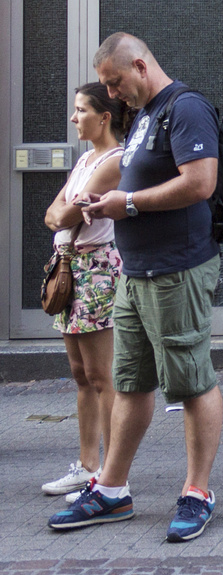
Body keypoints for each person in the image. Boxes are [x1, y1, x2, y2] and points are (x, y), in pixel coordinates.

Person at [51, 34, 223, 542]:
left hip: (177, 270)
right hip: (136, 271)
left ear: (141, 66)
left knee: (192, 381)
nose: (111, 93)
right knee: (130, 381)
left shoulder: (185, 108)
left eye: (114, 81)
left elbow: (201, 183)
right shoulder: (145, 115)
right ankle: (111, 489)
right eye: (105, 84)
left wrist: (125, 204)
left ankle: (197, 493)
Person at [39, 83, 130, 497]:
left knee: (100, 375)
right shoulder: (85, 159)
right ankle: (87, 466)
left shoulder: (114, 160)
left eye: (81, 110)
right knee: (80, 375)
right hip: (69, 270)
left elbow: (64, 214)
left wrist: (63, 212)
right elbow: (51, 213)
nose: (75, 118)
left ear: (104, 116)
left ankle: (111, 474)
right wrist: (62, 212)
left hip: (95, 269)